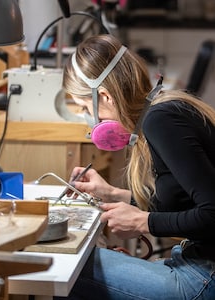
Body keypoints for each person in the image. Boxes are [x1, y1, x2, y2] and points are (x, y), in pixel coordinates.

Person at [54, 34, 215, 299]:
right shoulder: (163, 111)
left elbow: (212, 214)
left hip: (204, 275)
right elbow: (184, 201)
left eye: (85, 107)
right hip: (194, 260)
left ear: (105, 96)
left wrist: (143, 222)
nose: (89, 119)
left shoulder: (161, 121)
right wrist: (116, 195)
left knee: (68, 269)